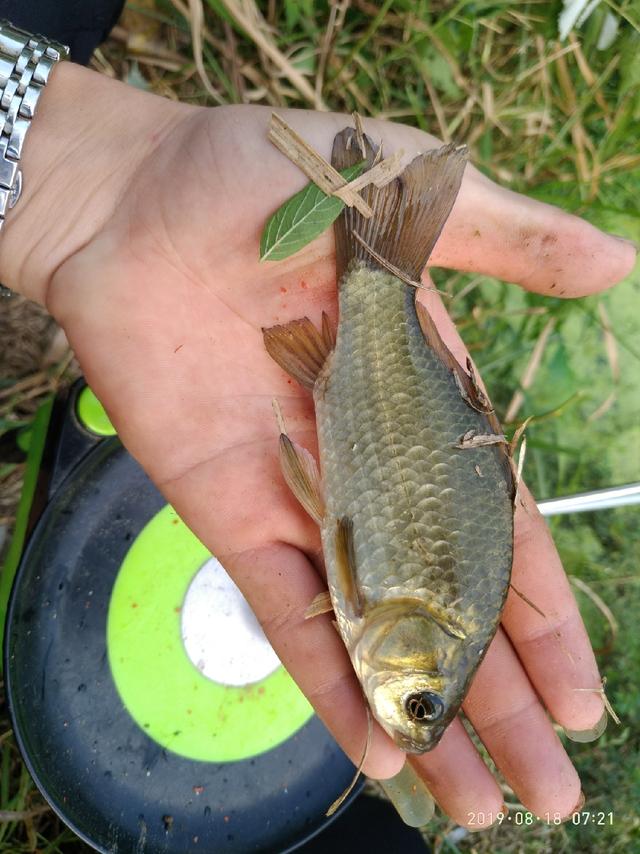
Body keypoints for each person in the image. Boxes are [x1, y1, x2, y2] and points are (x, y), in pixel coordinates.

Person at [0, 2, 636, 836]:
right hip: (378, 387)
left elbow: (326, 507)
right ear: (423, 646)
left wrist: (58, 172)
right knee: (374, 288)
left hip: (354, 392)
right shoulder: (395, 598)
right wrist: (93, 181)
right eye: (421, 698)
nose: (406, 709)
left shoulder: (410, 605)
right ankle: (382, 271)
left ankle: (382, 268)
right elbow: (332, 522)